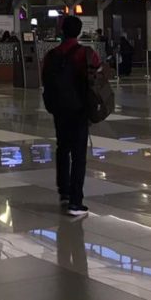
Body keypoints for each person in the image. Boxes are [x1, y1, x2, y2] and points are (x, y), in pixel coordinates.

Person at [41, 15, 101, 217]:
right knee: (78, 155)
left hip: (59, 108)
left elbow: (45, 79)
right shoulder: (86, 54)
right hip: (79, 109)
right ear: (79, 31)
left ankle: (64, 192)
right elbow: (98, 76)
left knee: (62, 148)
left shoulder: (51, 55)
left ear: (62, 31)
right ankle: (76, 202)